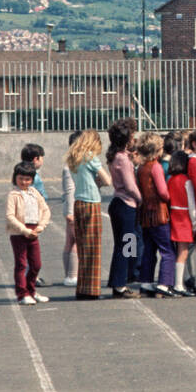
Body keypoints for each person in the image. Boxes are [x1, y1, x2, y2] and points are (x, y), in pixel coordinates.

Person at [66, 130, 111, 300]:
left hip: (79, 202)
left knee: (83, 247)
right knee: (94, 248)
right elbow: (107, 180)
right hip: (92, 202)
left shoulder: (73, 157)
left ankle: (82, 288)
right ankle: (92, 289)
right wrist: (98, 181)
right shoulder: (90, 157)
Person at [135, 133, 176, 298]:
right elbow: (163, 192)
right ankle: (165, 284)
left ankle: (145, 282)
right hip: (159, 212)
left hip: (145, 212)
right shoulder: (156, 166)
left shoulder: (141, 168)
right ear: (157, 150)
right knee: (168, 250)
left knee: (149, 249)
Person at [105, 118, 142, 299]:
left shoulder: (117, 156)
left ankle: (123, 278)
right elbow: (129, 185)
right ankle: (120, 284)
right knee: (125, 244)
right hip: (126, 204)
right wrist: (141, 198)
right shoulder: (122, 159)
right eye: (132, 136)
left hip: (121, 204)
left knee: (127, 244)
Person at [6, 161, 51, 305]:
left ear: (32, 180)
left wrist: (41, 226)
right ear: (15, 178)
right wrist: (24, 230)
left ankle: (31, 291)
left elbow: (45, 210)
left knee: (36, 264)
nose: (24, 182)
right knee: (21, 264)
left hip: (34, 232)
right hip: (19, 233)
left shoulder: (34, 192)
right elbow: (10, 216)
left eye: (27, 179)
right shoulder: (13, 195)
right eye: (21, 178)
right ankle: (22, 294)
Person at [166, 149, 194, 297]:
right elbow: (191, 203)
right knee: (183, 253)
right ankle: (179, 284)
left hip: (173, 214)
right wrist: (195, 222)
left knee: (178, 251)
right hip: (184, 217)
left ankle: (180, 281)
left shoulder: (170, 179)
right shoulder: (186, 181)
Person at [57, 132, 80, 288]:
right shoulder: (73, 165)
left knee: (70, 241)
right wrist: (71, 212)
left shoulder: (70, 163)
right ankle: (72, 276)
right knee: (75, 242)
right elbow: (71, 190)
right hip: (73, 207)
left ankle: (69, 275)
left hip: (70, 207)